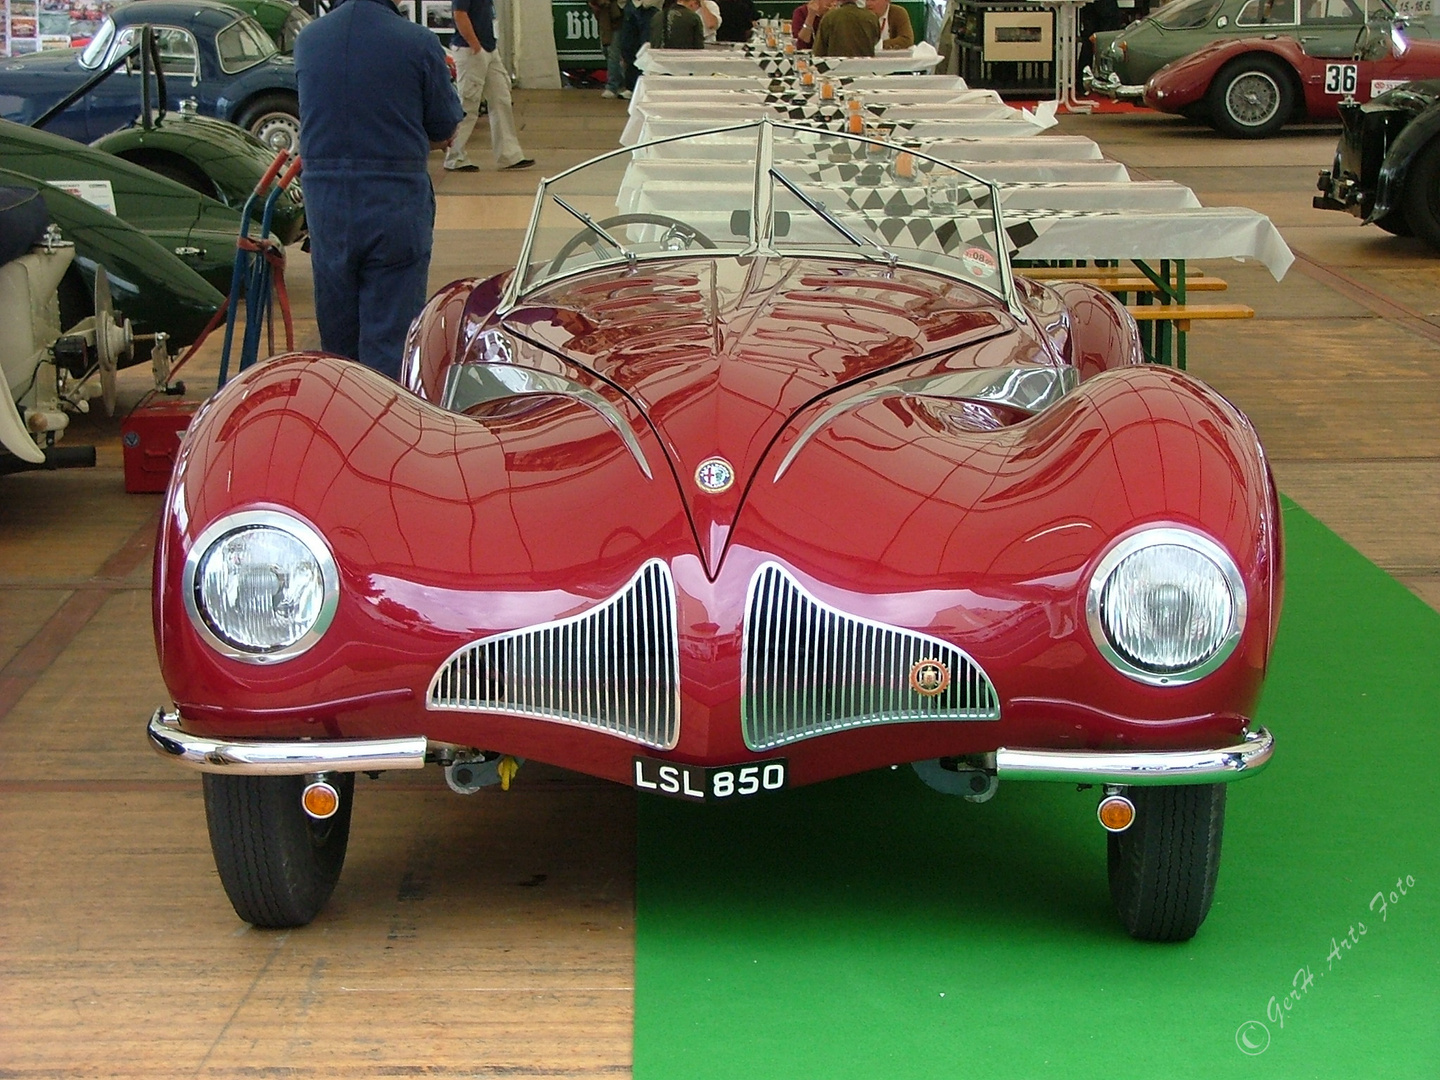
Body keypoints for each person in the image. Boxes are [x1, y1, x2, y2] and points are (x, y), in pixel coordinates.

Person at [294, 0, 464, 380]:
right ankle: (384, 429)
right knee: (389, 342)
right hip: (395, 203)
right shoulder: (418, 43)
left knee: (338, 341)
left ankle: (341, 421)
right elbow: (444, 128)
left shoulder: (309, 40)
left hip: (327, 208)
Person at [445, 0, 536, 172]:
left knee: (501, 99)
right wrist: (475, 46)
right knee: (468, 103)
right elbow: (460, 14)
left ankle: (509, 155)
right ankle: (454, 156)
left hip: (488, 49)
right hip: (471, 50)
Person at [619, 0, 662, 92]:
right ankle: (631, 87)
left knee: (646, 47)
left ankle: (646, 86)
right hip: (630, 5)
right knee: (628, 47)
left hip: (651, 7)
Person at [812, 0, 879, 57]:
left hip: (837, 68)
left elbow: (818, 51)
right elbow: (876, 40)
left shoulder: (829, 17)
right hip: (865, 68)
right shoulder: (871, 17)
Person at [588, 0, 626, 98]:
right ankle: (621, 83)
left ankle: (612, 87)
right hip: (604, 15)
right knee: (606, 50)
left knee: (613, 52)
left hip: (619, 15)